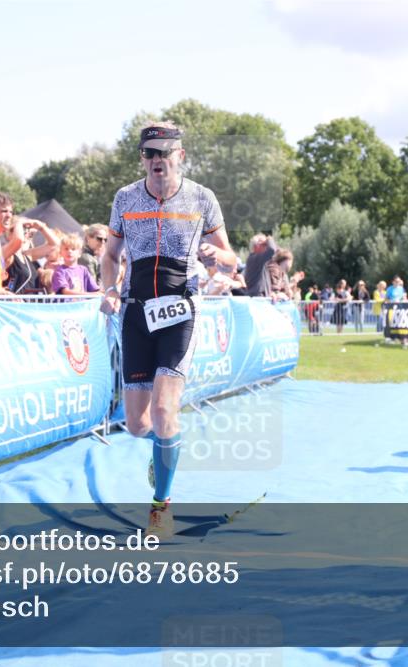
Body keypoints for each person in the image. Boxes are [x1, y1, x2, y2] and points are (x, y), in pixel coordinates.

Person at [99, 122, 236, 538]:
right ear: (142, 158)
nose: (157, 161)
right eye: (149, 154)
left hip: (181, 310)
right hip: (136, 312)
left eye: (165, 153)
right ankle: (162, 454)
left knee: (164, 412)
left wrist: (218, 256)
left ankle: (161, 505)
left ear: (180, 155)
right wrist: (108, 288)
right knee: (139, 424)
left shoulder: (202, 198)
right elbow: (110, 255)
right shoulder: (125, 198)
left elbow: (230, 258)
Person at [4, 215, 60, 294]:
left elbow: (55, 245)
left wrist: (41, 227)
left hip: (31, 304)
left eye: (28, 230)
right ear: (10, 233)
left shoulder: (27, 255)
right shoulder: (7, 255)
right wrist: (19, 223)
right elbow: (18, 239)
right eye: (23, 229)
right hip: (15, 304)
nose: (27, 233)